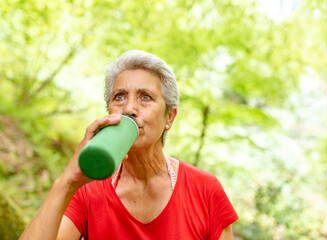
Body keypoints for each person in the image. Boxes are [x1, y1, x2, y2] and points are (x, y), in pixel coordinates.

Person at [20, 50, 238, 240]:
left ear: (169, 118)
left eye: (145, 97)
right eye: (120, 96)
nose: (129, 108)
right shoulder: (88, 190)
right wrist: (67, 181)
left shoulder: (205, 190)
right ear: (109, 112)